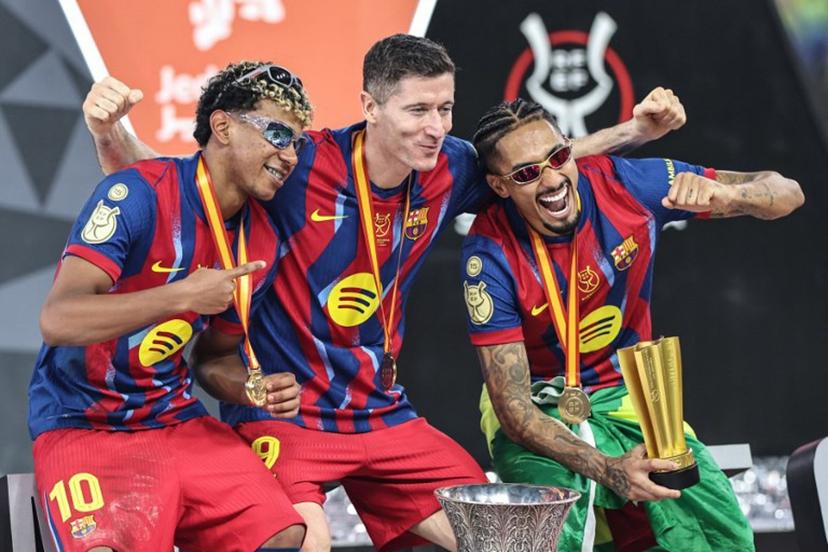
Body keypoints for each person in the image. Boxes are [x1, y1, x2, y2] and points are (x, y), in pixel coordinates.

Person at [82, 34, 689, 552]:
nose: (436, 127)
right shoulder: (299, 165)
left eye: (445, 109)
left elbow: (533, 165)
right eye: (418, 110)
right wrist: (110, 132)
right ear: (370, 106)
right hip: (291, 417)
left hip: (381, 413)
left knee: (502, 537)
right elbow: (182, 193)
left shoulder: (448, 167)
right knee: (304, 542)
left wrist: (632, 131)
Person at [461, 98, 804, 551]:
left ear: (571, 150)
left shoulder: (627, 186)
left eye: (558, 157)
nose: (552, 180)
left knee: (719, 531)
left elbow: (787, 192)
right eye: (526, 174)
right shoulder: (488, 252)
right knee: (552, 529)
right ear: (499, 186)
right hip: (539, 407)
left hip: (631, 397)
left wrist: (728, 196)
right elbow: (514, 409)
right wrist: (608, 469)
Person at [28, 61, 315, 551]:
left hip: (173, 419)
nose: (288, 155)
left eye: (297, 144)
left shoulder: (260, 240)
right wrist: (181, 294)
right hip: (82, 422)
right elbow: (58, 319)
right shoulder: (136, 192)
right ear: (222, 126)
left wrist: (252, 388)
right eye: (277, 134)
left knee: (282, 533)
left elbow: (212, 358)